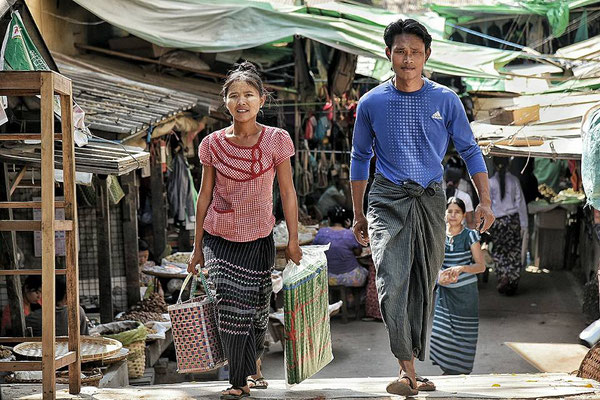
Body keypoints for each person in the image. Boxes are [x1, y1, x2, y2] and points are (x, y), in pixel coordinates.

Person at [350, 19, 494, 396]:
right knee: (390, 279)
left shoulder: (446, 99)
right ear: (388, 54)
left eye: (415, 52)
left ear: (427, 55)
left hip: (431, 200)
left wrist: (486, 200)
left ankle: (412, 366)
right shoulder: (371, 102)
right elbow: (360, 157)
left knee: (422, 281)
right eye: (400, 51)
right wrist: (358, 212)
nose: (408, 58)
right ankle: (406, 369)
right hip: (387, 199)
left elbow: (469, 150)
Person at [186, 61, 302, 400]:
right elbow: (204, 195)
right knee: (228, 306)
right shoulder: (212, 144)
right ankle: (238, 382)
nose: (242, 102)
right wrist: (196, 248)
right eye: (234, 95)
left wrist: (293, 240)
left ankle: (251, 364)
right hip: (219, 237)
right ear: (225, 101)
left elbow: (287, 192)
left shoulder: (277, 141)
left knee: (255, 310)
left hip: (259, 237)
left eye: (249, 95)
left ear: (262, 100)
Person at [429, 197, 485, 375]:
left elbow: (481, 266)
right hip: (444, 294)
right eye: (450, 211)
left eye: (457, 212)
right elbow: (431, 263)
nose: (453, 215)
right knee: (441, 334)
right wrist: (439, 277)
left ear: (463, 215)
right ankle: (448, 370)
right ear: (444, 213)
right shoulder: (437, 235)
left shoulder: (470, 235)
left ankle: (459, 372)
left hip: (466, 295)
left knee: (464, 335)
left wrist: (461, 268)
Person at [488, 157, 528, 295]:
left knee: (499, 251)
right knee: (513, 251)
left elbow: (488, 205)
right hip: (512, 222)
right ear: (509, 163)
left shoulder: (490, 182)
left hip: (497, 222)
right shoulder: (514, 181)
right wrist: (524, 224)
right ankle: (512, 280)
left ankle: (503, 276)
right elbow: (520, 203)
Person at [313, 206, 367, 287]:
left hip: (327, 277)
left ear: (329, 220)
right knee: (367, 271)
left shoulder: (321, 233)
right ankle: (353, 296)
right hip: (351, 278)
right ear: (345, 221)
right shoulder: (350, 234)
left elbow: (315, 251)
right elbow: (358, 253)